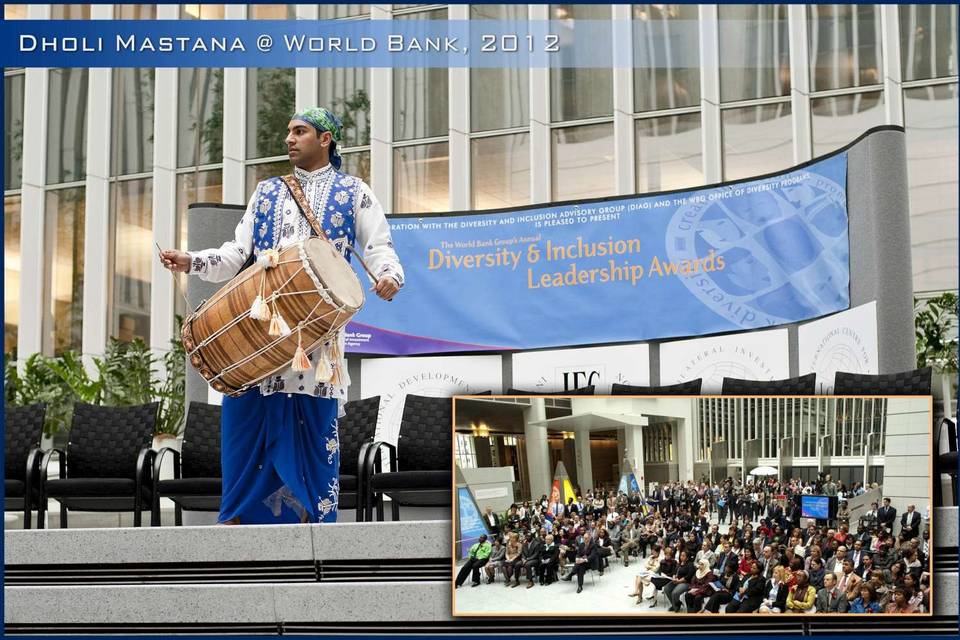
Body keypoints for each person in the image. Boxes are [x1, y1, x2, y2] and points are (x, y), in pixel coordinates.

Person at [160, 107, 403, 526]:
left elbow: (379, 245)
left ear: (325, 139)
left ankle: (316, 538)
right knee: (243, 434)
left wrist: (389, 275)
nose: (289, 139)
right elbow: (237, 254)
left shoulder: (354, 192)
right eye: (288, 131)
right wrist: (192, 261)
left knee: (313, 434)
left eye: (299, 131)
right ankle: (240, 533)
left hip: (316, 343)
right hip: (257, 334)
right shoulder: (268, 192)